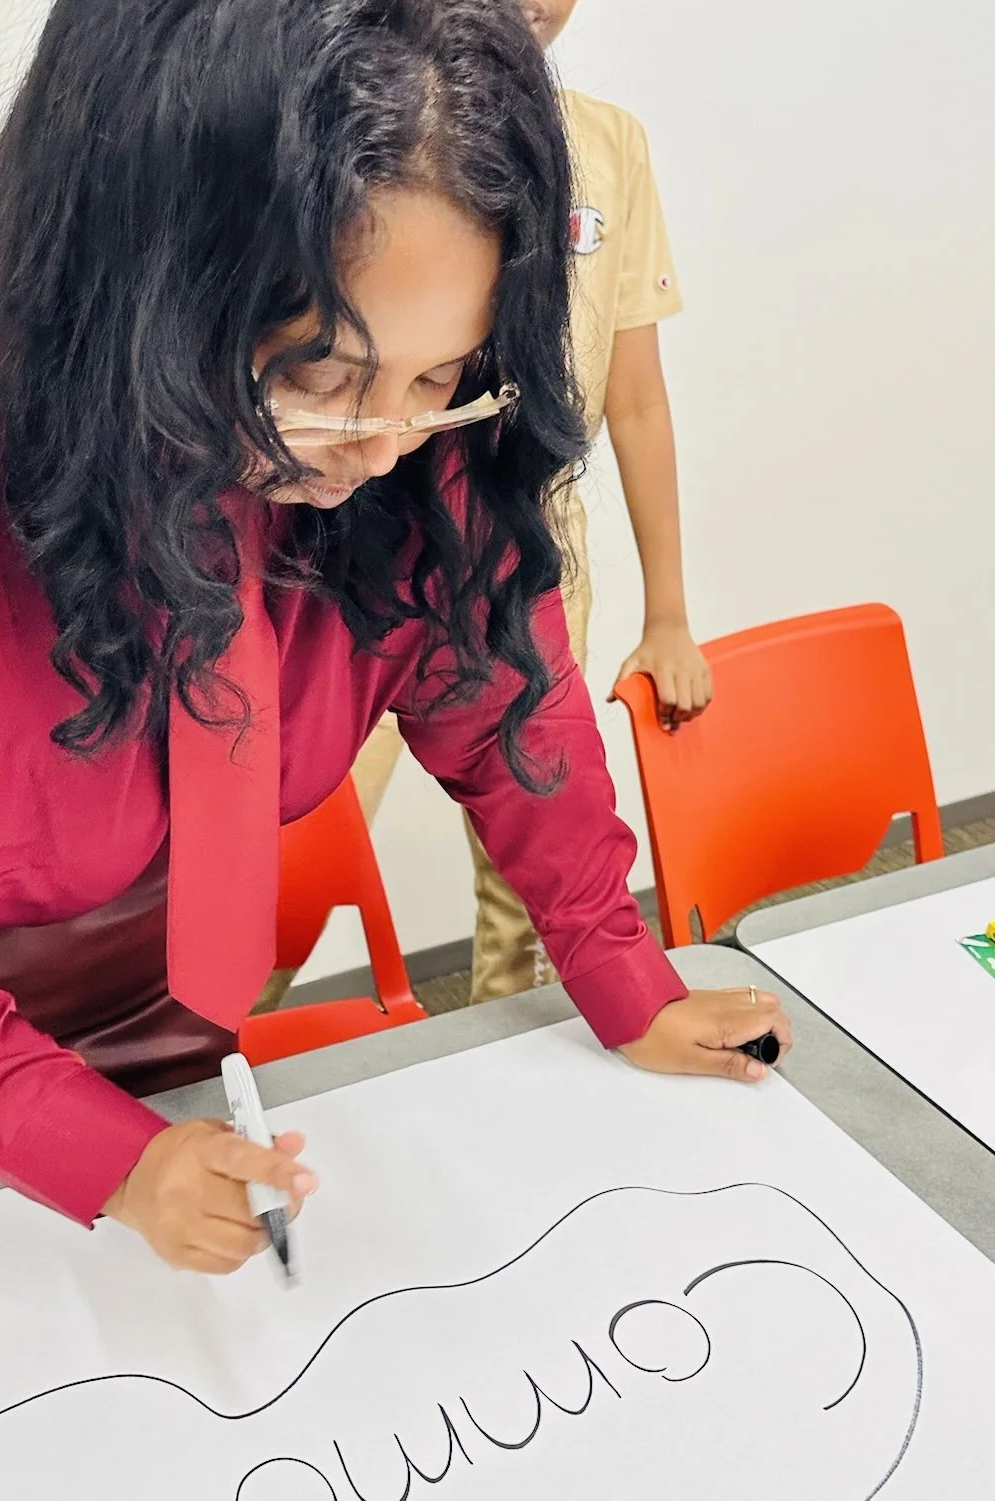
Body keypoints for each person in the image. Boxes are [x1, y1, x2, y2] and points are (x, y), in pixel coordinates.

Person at [0, 0, 790, 1275]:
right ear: (148, 282)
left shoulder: (403, 400)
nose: (387, 447)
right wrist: (96, 1152)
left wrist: (618, 963)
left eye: (437, 380)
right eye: (318, 377)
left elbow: (485, 662)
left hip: (173, 1009)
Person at [348, 0, 713, 1004]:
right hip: (362, 533)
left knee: (537, 881)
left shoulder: (608, 145)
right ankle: (212, 1086)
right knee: (293, 853)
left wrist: (669, 613)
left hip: (531, 543)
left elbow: (635, 400)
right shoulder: (357, 127)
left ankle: (534, 1092)